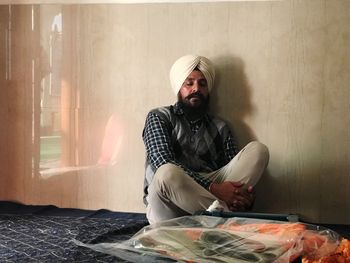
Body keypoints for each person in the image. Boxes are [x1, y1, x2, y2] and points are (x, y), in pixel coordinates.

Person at [142, 54, 269, 224]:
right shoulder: (159, 117)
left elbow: (233, 180)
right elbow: (162, 161)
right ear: (179, 86)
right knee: (167, 171)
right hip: (169, 204)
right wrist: (214, 189)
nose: (196, 89)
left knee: (258, 151)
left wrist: (244, 197)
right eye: (189, 83)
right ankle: (226, 223)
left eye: (202, 84)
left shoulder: (220, 127)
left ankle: (216, 220)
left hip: (210, 198)